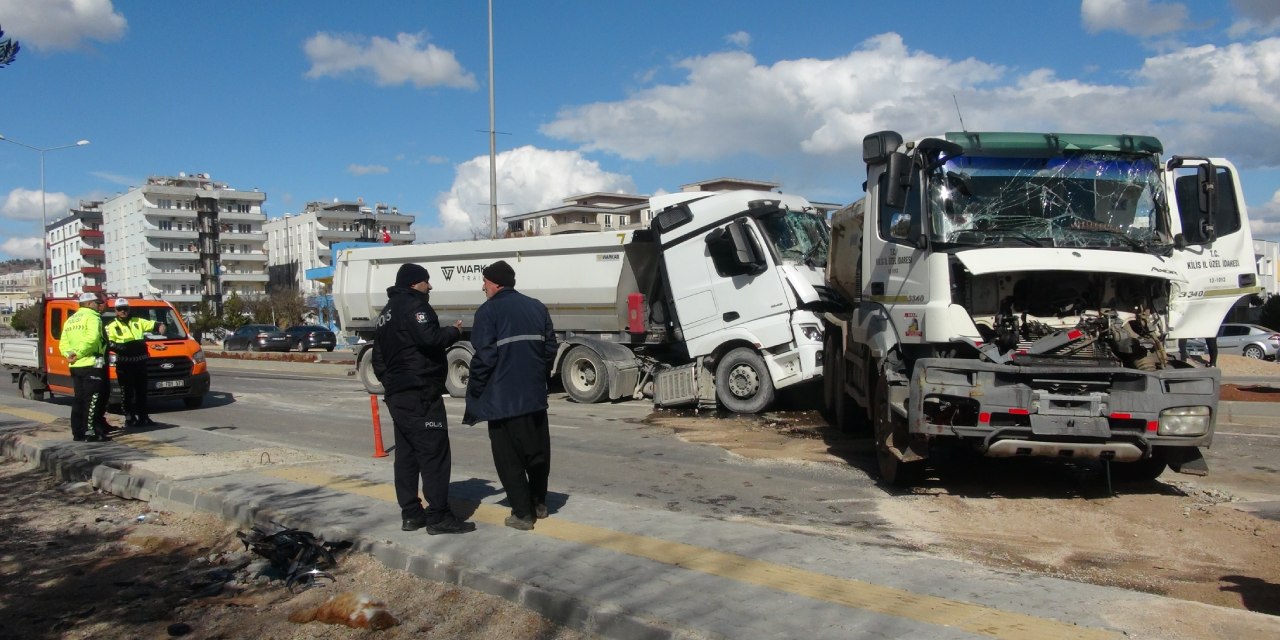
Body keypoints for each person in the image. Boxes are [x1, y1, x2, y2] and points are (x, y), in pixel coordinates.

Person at [371, 263, 475, 535]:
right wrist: (453, 332)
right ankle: (438, 516)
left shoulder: (385, 313)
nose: (429, 286)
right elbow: (430, 338)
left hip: (398, 395)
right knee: (434, 453)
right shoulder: (416, 306)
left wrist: (393, 383)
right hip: (420, 393)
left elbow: (378, 358)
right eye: (426, 281)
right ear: (413, 283)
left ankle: (411, 514)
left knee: (406, 455)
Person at [463, 260, 558, 531]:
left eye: (484, 281)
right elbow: (550, 348)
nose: (483, 287)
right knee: (537, 453)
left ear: (495, 283)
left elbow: (485, 357)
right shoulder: (537, 307)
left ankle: (522, 514)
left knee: (509, 459)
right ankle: (539, 503)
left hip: (503, 400)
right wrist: (536, 375)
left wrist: (476, 389)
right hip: (534, 397)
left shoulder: (488, 311)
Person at [106, 298, 164, 427]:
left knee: (141, 391)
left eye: (125, 308)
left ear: (129, 309)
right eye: (120, 309)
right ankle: (129, 417)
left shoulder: (138, 321)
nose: (123, 311)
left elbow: (154, 324)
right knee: (127, 392)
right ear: (115, 311)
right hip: (125, 365)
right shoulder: (111, 326)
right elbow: (108, 343)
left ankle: (144, 417)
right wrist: (122, 348)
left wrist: (160, 326)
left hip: (140, 363)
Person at [61, 292, 111, 442]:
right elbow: (92, 338)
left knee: (79, 399)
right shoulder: (93, 317)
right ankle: (91, 431)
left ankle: (78, 432)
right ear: (89, 303)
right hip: (91, 363)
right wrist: (78, 353)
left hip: (76, 365)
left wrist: (69, 354)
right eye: (97, 303)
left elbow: (63, 343)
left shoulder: (70, 320)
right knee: (93, 399)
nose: (99, 305)